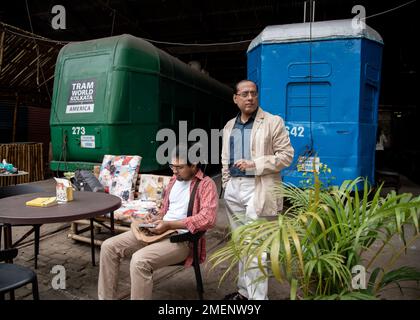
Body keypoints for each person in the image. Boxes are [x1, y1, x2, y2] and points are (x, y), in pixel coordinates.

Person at [98, 144, 218, 300]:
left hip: (181, 240)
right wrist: (156, 218)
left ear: (194, 165)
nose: (174, 171)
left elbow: (208, 218)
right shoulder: (174, 181)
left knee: (139, 261)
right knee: (108, 247)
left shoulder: (206, 185)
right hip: (158, 231)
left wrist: (169, 225)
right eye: (172, 166)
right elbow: (167, 211)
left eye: (179, 167)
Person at [221, 79, 294, 300]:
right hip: (234, 189)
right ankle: (245, 292)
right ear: (235, 98)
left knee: (257, 248)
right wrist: (226, 184)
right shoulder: (228, 126)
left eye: (253, 93)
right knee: (241, 243)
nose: (250, 97)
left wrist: (256, 164)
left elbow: (286, 156)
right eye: (244, 94)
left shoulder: (272, 122)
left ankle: (257, 299)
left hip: (259, 187)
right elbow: (226, 158)